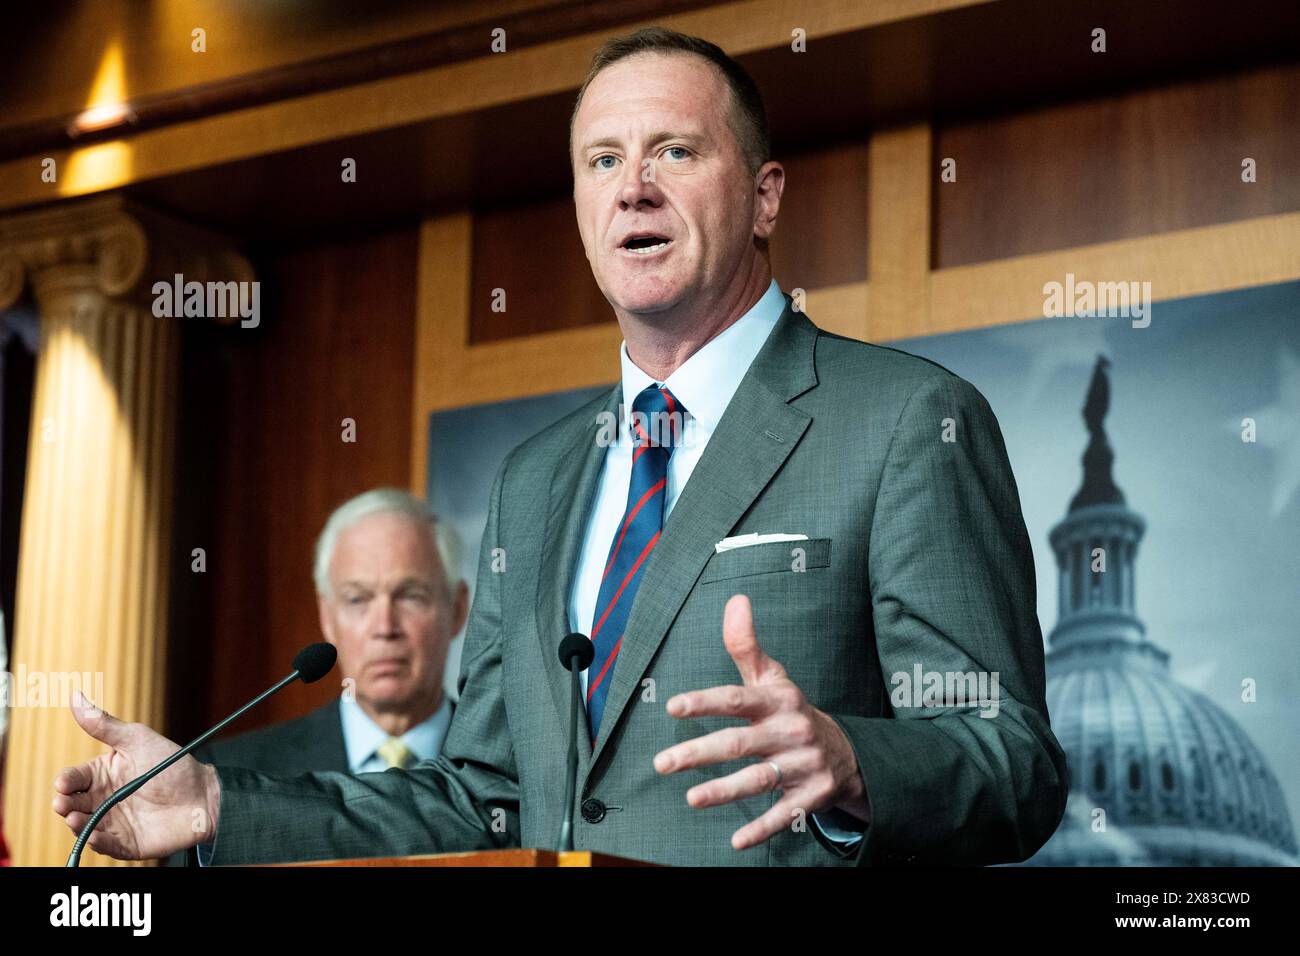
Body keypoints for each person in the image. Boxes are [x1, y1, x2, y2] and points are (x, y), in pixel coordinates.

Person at [54, 26, 1067, 867]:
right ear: (582, 209)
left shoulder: (904, 421)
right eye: (603, 160)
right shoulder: (535, 479)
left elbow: (1014, 764)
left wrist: (851, 759)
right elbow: (485, 799)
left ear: (763, 196)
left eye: (673, 150)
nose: (633, 187)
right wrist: (218, 805)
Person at [163, 488, 467, 864]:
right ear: (327, 617)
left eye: (410, 596)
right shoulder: (226, 779)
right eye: (358, 599)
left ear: (457, 609)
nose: (384, 627)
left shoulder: (512, 778)